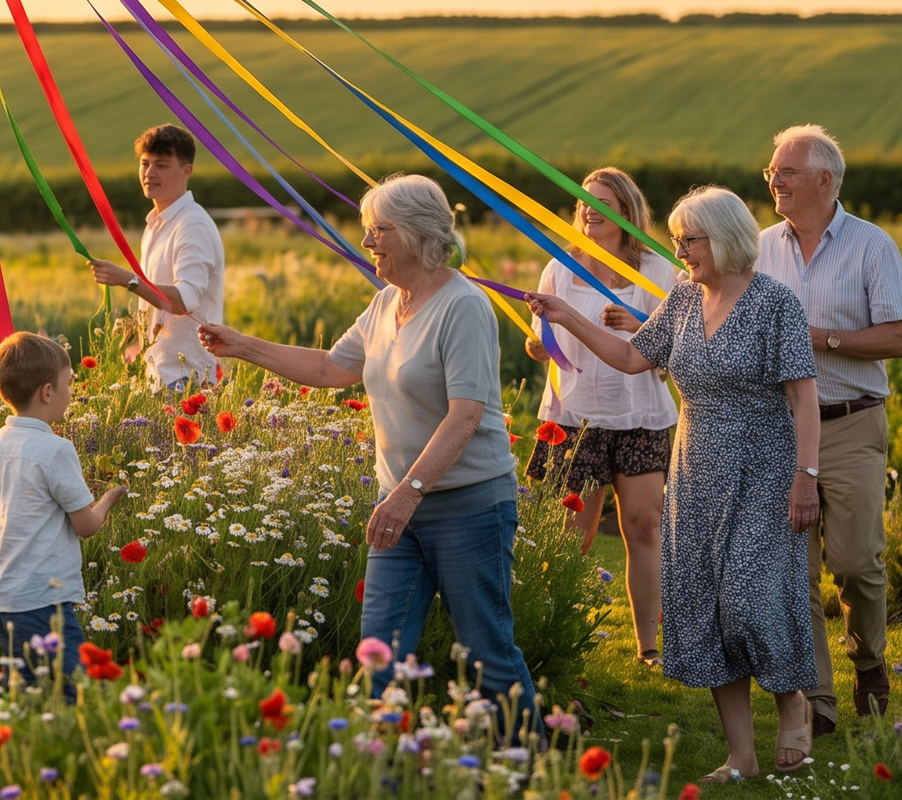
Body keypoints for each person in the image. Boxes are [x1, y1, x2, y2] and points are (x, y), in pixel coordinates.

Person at [197, 174, 533, 713]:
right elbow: (331, 367)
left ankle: (530, 765)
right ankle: (385, 766)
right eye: (367, 230)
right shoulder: (386, 304)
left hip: (468, 507)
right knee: (380, 649)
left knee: (485, 652)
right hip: (398, 507)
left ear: (420, 233)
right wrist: (241, 345)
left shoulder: (463, 306)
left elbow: (466, 415)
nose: (368, 242)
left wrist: (407, 493)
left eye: (380, 230)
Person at [531, 186, 823, 783]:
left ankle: (792, 697)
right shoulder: (685, 299)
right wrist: (568, 319)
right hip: (694, 473)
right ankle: (740, 758)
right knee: (708, 612)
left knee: (750, 599)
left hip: (763, 471)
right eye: (678, 240)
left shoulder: (775, 304)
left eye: (690, 239)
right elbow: (635, 357)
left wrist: (806, 477)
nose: (681, 250)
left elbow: (804, 396)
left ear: (725, 238)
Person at [758, 124, 902, 730]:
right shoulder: (758, 247)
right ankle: (816, 700)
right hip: (778, 427)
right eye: (771, 171)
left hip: (851, 422)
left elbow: (899, 337)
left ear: (825, 180)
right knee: (796, 566)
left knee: (855, 564)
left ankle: (869, 661)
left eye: (786, 171)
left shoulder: (874, 247)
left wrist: (822, 339)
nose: (774, 180)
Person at [523, 167, 680, 664]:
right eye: (584, 201)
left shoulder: (658, 271)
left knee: (644, 528)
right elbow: (539, 344)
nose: (589, 210)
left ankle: (649, 646)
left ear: (627, 212)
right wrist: (538, 343)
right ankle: (553, 636)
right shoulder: (560, 268)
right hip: (574, 418)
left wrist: (641, 324)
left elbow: (681, 340)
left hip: (642, 416)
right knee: (572, 536)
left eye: (602, 202)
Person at [0, 331, 127, 687]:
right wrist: (108, 499)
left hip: (3, 598)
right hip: (42, 599)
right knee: (73, 691)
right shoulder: (56, 450)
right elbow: (86, 525)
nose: (70, 391)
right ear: (47, 392)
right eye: (68, 382)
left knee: (28, 692)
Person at [89, 124, 224, 389]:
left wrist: (128, 280)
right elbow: (163, 309)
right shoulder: (156, 224)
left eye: (161, 165)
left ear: (187, 171)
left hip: (186, 376)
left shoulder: (192, 225)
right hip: (160, 372)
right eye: (144, 163)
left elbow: (184, 301)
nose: (149, 173)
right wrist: (139, 342)